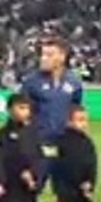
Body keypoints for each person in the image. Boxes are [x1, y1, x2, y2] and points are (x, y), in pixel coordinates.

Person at [20, 38, 83, 191]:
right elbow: (22, 115)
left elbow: (75, 111)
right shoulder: (31, 82)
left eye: (49, 54)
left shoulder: (74, 82)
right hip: (38, 145)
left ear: (62, 57)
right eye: (42, 54)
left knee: (66, 194)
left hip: (64, 146)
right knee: (31, 190)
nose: (43, 58)